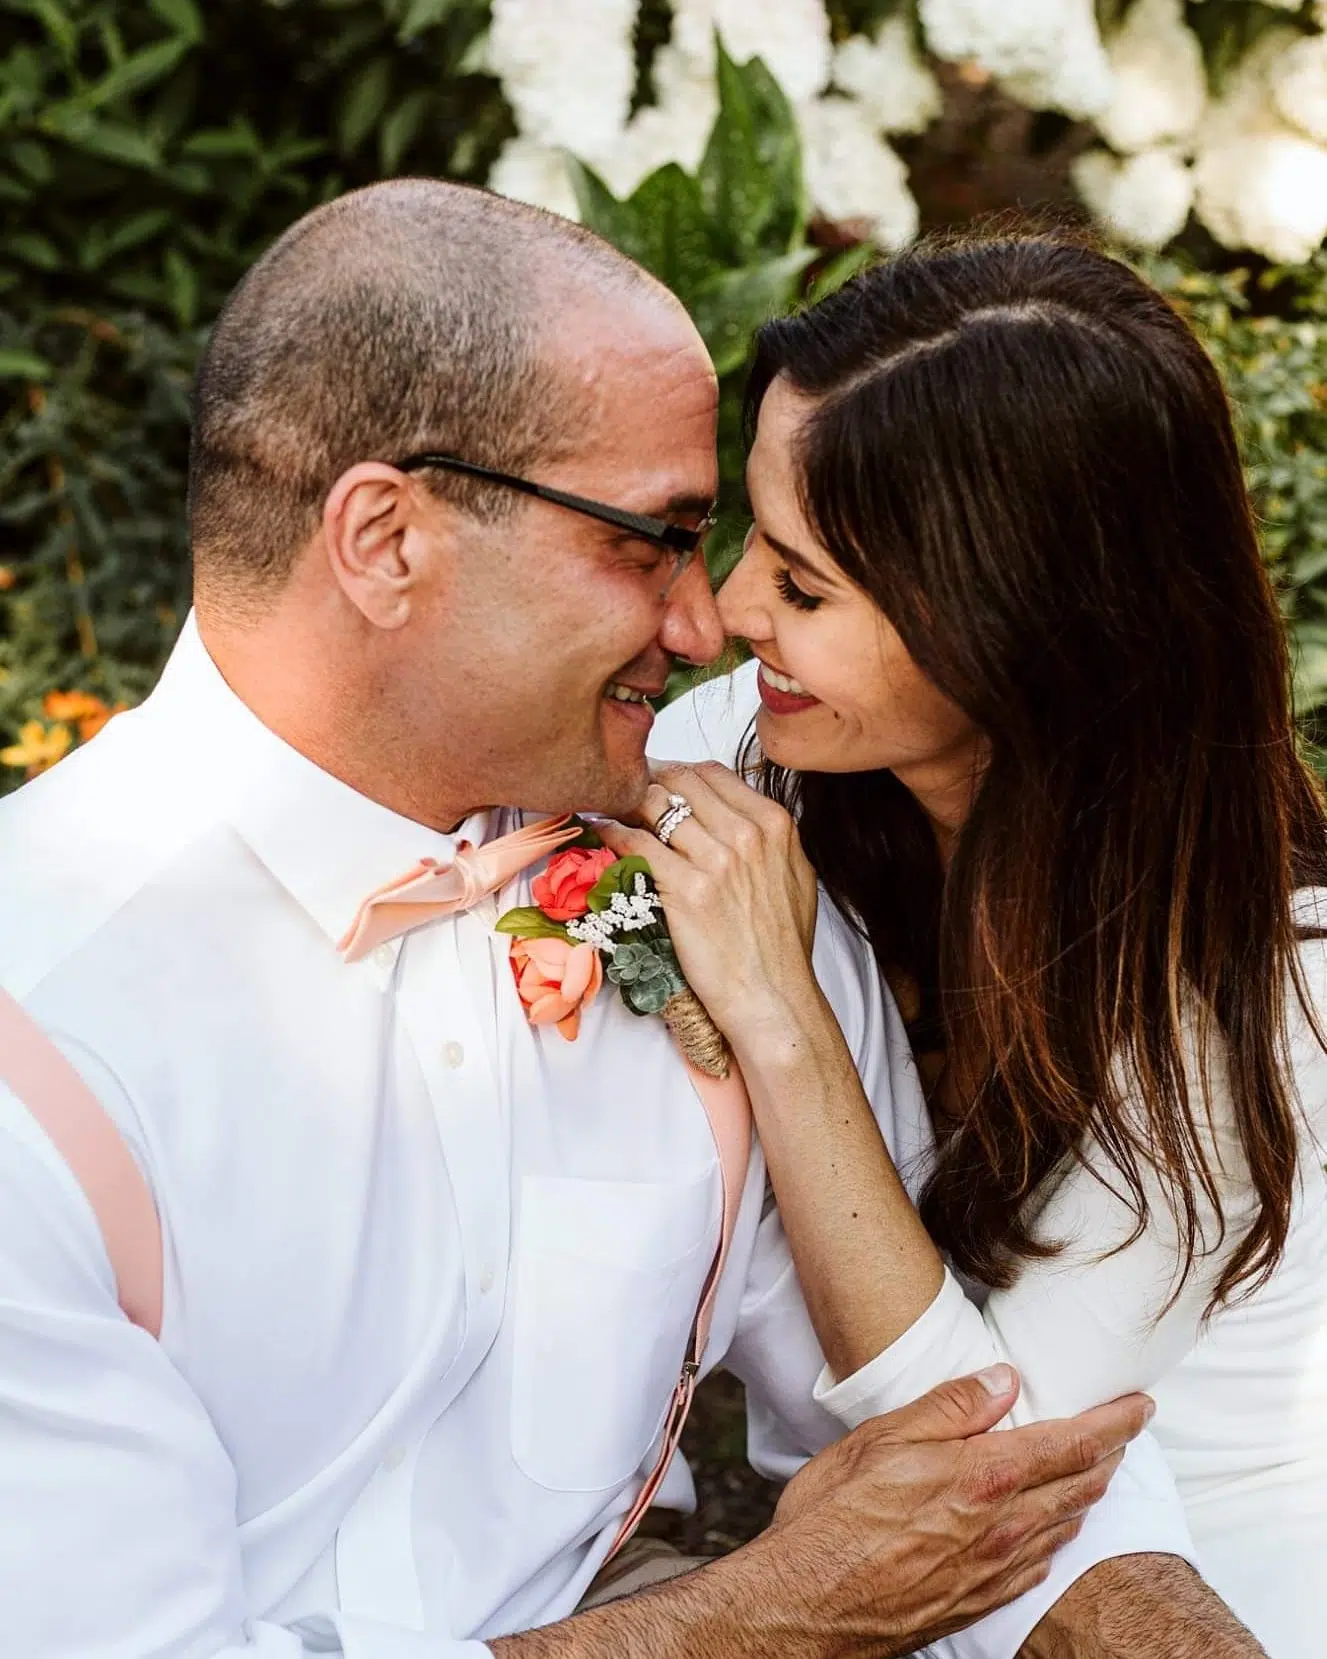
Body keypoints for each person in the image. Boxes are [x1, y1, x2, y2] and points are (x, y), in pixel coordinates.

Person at [0, 185, 1251, 1659]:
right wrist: (757, 1616)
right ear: (386, 538)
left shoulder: (719, 888)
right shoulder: (49, 1034)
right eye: (647, 540)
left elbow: (974, 1449)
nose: (705, 622)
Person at [638, 233, 1327, 1659]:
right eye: (743, 532)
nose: (721, 611)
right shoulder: (754, 756)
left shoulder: (1273, 984)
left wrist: (779, 1017)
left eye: (803, 583)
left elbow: (983, 1466)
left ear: (1011, 629)